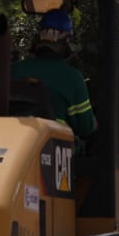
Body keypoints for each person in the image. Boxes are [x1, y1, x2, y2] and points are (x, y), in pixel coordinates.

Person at [11, 8, 95, 146]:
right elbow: (85, 127)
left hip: (12, 143)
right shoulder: (72, 77)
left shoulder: (14, 70)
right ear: (67, 41)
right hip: (56, 149)